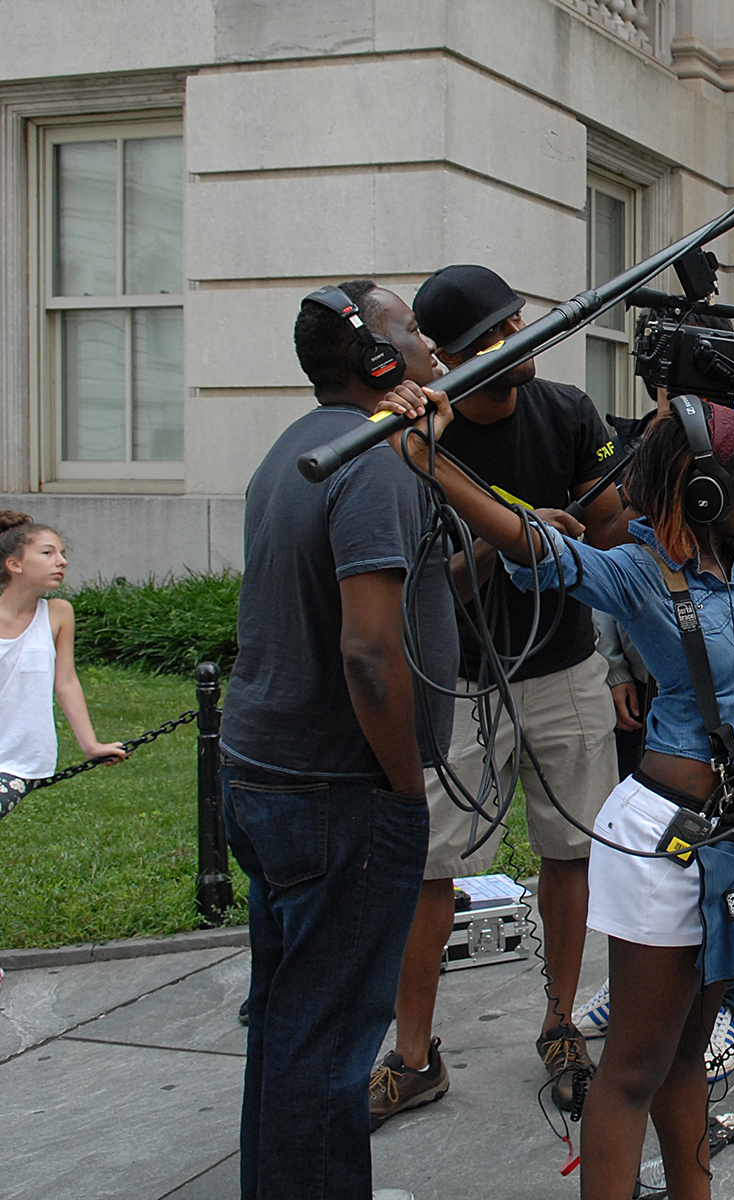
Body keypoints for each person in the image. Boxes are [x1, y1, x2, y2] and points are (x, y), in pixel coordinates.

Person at [377, 151, 734, 1200]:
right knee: (632, 1071)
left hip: (731, 838)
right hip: (661, 840)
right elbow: (531, 547)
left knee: (693, 1063)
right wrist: (426, 458)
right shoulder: (635, 577)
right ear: (707, 495)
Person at [221, 279, 456, 1200]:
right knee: (329, 1048)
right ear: (378, 361)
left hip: (268, 780)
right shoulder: (371, 465)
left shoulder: (300, 449)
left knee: (289, 1025)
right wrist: (403, 790)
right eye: (410, 329)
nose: (431, 341)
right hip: (338, 796)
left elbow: (382, 595)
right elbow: (367, 652)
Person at [366, 264, 616, 1126]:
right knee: (434, 869)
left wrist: (580, 530)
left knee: (570, 853)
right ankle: (412, 1055)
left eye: (520, 324)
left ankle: (559, 1025)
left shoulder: (569, 412)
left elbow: (614, 527)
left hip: (566, 667)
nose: (519, 345)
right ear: (454, 355)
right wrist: (515, 539)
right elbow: (421, 588)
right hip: (464, 678)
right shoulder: (418, 440)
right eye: (494, 338)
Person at [578, 409, 734, 1076]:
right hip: (677, 793)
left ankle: (709, 1008)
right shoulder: (649, 554)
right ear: (708, 489)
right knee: (643, 1055)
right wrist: (619, 667)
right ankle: (660, 998)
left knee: (728, 903)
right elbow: (584, 571)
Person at [0, 513, 127, 804]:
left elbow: (66, 682)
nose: (62, 561)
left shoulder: (58, 613)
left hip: (20, 761)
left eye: (62, 553)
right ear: (14, 564)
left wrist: (91, 745)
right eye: (48, 553)